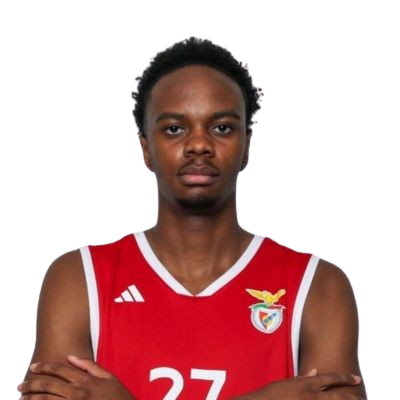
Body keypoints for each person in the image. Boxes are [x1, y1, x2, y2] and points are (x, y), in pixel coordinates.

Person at [17, 36, 367, 399]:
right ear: (146, 149)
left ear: (247, 147)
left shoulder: (318, 285)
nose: (199, 145)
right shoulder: (79, 277)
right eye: (174, 128)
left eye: (221, 127)